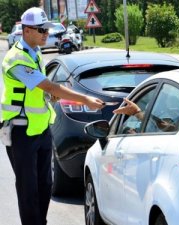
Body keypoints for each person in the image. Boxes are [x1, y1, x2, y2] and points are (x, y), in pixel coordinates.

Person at [0, 7, 105, 225]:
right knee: (28, 188)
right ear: (26, 30)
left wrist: (49, 95)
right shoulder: (15, 58)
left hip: (41, 129)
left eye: (47, 29)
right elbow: (46, 84)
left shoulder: (35, 52)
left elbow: (41, 90)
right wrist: (84, 99)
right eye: (41, 30)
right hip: (21, 131)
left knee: (45, 185)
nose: (46, 34)